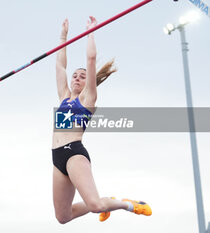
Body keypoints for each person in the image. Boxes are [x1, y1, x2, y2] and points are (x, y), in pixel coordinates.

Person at [52, 16, 152, 224]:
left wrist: (90, 32)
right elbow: (60, 66)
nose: (77, 78)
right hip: (57, 157)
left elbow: (91, 60)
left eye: (82, 76)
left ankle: (129, 204)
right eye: (75, 76)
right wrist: (63, 36)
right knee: (63, 216)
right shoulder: (64, 96)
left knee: (96, 206)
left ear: (89, 82)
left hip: (74, 154)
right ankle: (107, 201)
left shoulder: (88, 99)